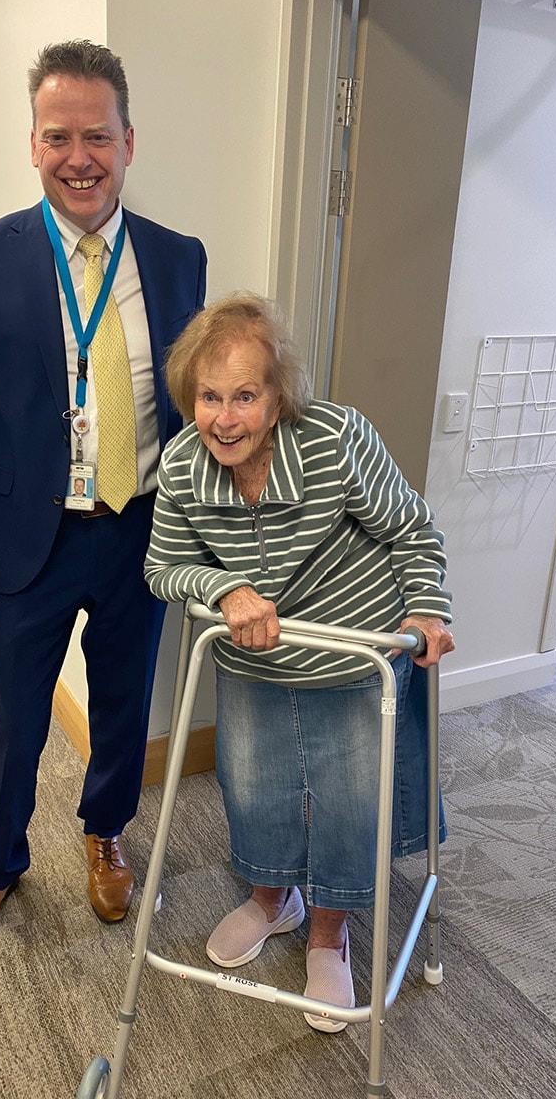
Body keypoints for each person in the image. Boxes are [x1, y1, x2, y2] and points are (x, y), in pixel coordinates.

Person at [0, 39, 206, 969]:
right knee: (17, 718)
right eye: (58, 137)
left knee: (124, 705)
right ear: (32, 144)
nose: (78, 156)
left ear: (130, 141)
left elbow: (197, 403)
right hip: (21, 540)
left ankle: (105, 831)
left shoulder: (176, 259)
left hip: (140, 532)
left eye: (98, 135)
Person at [144, 292, 454, 1031]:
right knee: (256, 790)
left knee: (349, 801)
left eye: (245, 396)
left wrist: (426, 605)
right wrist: (225, 589)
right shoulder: (185, 462)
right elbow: (165, 567)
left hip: (353, 656)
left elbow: (411, 528)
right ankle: (270, 899)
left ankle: (329, 932)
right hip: (255, 663)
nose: (224, 418)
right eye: (209, 397)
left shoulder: (336, 439)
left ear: (278, 396)